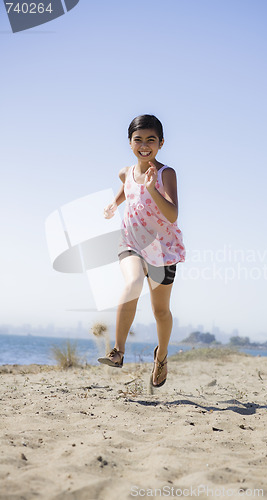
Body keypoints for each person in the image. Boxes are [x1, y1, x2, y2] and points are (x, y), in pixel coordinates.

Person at [98, 115, 185, 387]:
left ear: (161, 143)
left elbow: (172, 214)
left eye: (151, 140)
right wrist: (114, 203)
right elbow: (127, 187)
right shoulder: (126, 172)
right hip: (131, 242)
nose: (144, 145)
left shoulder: (165, 173)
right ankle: (118, 351)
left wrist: (152, 189)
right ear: (129, 142)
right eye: (138, 140)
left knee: (160, 311)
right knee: (133, 282)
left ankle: (161, 357)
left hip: (163, 249)